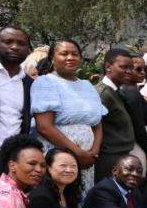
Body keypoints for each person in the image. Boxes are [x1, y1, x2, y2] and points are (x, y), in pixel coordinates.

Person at [30, 39, 106, 193]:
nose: (70, 57)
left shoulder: (87, 86)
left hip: (87, 160)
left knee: (81, 199)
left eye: (75, 54)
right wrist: (77, 154)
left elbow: (97, 123)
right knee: (60, 197)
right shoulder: (45, 83)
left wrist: (93, 153)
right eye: (64, 54)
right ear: (52, 58)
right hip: (58, 156)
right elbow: (44, 127)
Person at [93, 46, 137, 182]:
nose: (129, 72)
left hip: (120, 156)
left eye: (131, 68)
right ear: (108, 67)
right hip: (108, 158)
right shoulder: (103, 93)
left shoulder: (116, 91)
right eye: (124, 67)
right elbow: (94, 125)